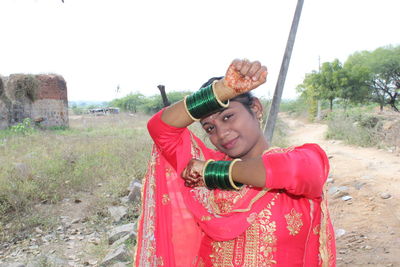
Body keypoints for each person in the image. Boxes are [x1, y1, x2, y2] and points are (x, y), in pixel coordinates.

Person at [134, 59, 336, 267]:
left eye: (228, 116)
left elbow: (289, 170)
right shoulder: (203, 167)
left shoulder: (303, 158)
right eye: (209, 128)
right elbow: (160, 128)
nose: (222, 133)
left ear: (256, 108)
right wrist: (223, 90)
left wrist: (212, 172)